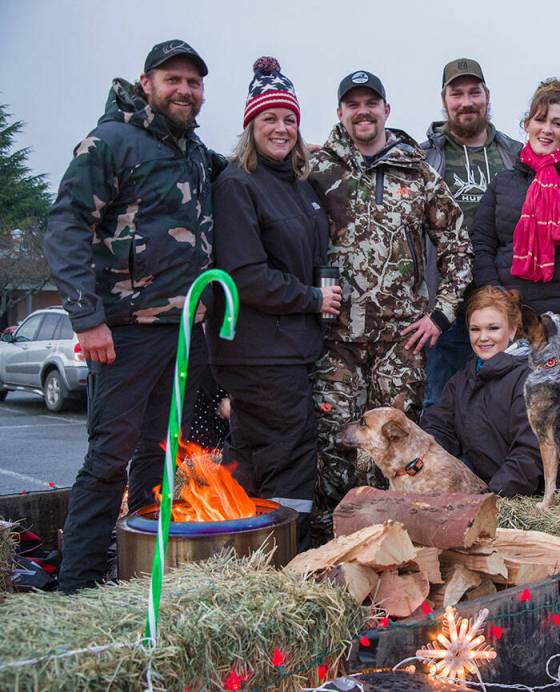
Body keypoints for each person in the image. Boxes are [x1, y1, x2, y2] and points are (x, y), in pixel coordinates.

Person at [44, 40, 222, 593]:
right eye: (173, 80)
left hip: (183, 335)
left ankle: (140, 571)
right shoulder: (111, 142)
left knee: (160, 453)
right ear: (145, 83)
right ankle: (78, 585)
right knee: (108, 458)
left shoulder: (193, 152)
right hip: (123, 333)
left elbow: (246, 166)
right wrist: (86, 317)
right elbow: (67, 224)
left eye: (193, 83)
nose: (184, 91)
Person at [307, 70, 472, 540]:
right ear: (340, 113)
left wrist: (440, 313)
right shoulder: (318, 170)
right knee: (334, 444)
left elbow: (457, 247)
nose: (363, 111)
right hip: (335, 340)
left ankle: (392, 545)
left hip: (401, 342)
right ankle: (330, 547)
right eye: (352, 103)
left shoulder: (416, 170)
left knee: (396, 451)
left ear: (386, 110)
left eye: (371, 102)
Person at [206, 57, 341, 544]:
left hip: (289, 346)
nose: (281, 129)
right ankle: (285, 548)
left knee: (254, 450)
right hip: (257, 350)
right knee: (288, 448)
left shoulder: (297, 185)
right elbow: (244, 276)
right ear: (250, 125)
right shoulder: (238, 185)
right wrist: (312, 298)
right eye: (270, 119)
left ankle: (235, 543)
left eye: (289, 119)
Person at [420, 58, 522, 409]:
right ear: (444, 99)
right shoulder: (424, 158)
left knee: (503, 404)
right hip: (442, 307)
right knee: (441, 401)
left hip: (501, 302)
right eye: (456, 93)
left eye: (474, 92)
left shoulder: (514, 154)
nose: (466, 102)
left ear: (487, 95)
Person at [472, 78, 560, 319]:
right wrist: (498, 302)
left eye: (557, 123)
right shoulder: (502, 182)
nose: (547, 129)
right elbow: (481, 244)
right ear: (527, 124)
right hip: (512, 317)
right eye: (540, 120)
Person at [421, 286, 560, 496]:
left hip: (529, 497)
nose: (483, 337)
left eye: (493, 328)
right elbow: (439, 426)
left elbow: (530, 451)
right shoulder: (463, 378)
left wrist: (492, 496)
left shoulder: (531, 380)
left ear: (513, 329)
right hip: (486, 489)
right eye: (475, 329)